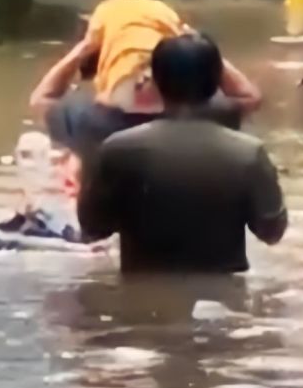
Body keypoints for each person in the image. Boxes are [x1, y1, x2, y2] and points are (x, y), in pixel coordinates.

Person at [29, 0, 260, 172]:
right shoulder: (167, 14)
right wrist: (195, 41)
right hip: (174, 113)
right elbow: (249, 97)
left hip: (113, 116)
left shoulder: (107, 11)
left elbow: (42, 98)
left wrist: (85, 47)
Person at [78, 33, 288, 274]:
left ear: (156, 82)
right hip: (224, 304)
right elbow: (272, 232)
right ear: (216, 83)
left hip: (143, 298)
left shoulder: (118, 149)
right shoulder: (248, 153)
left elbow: (93, 228)